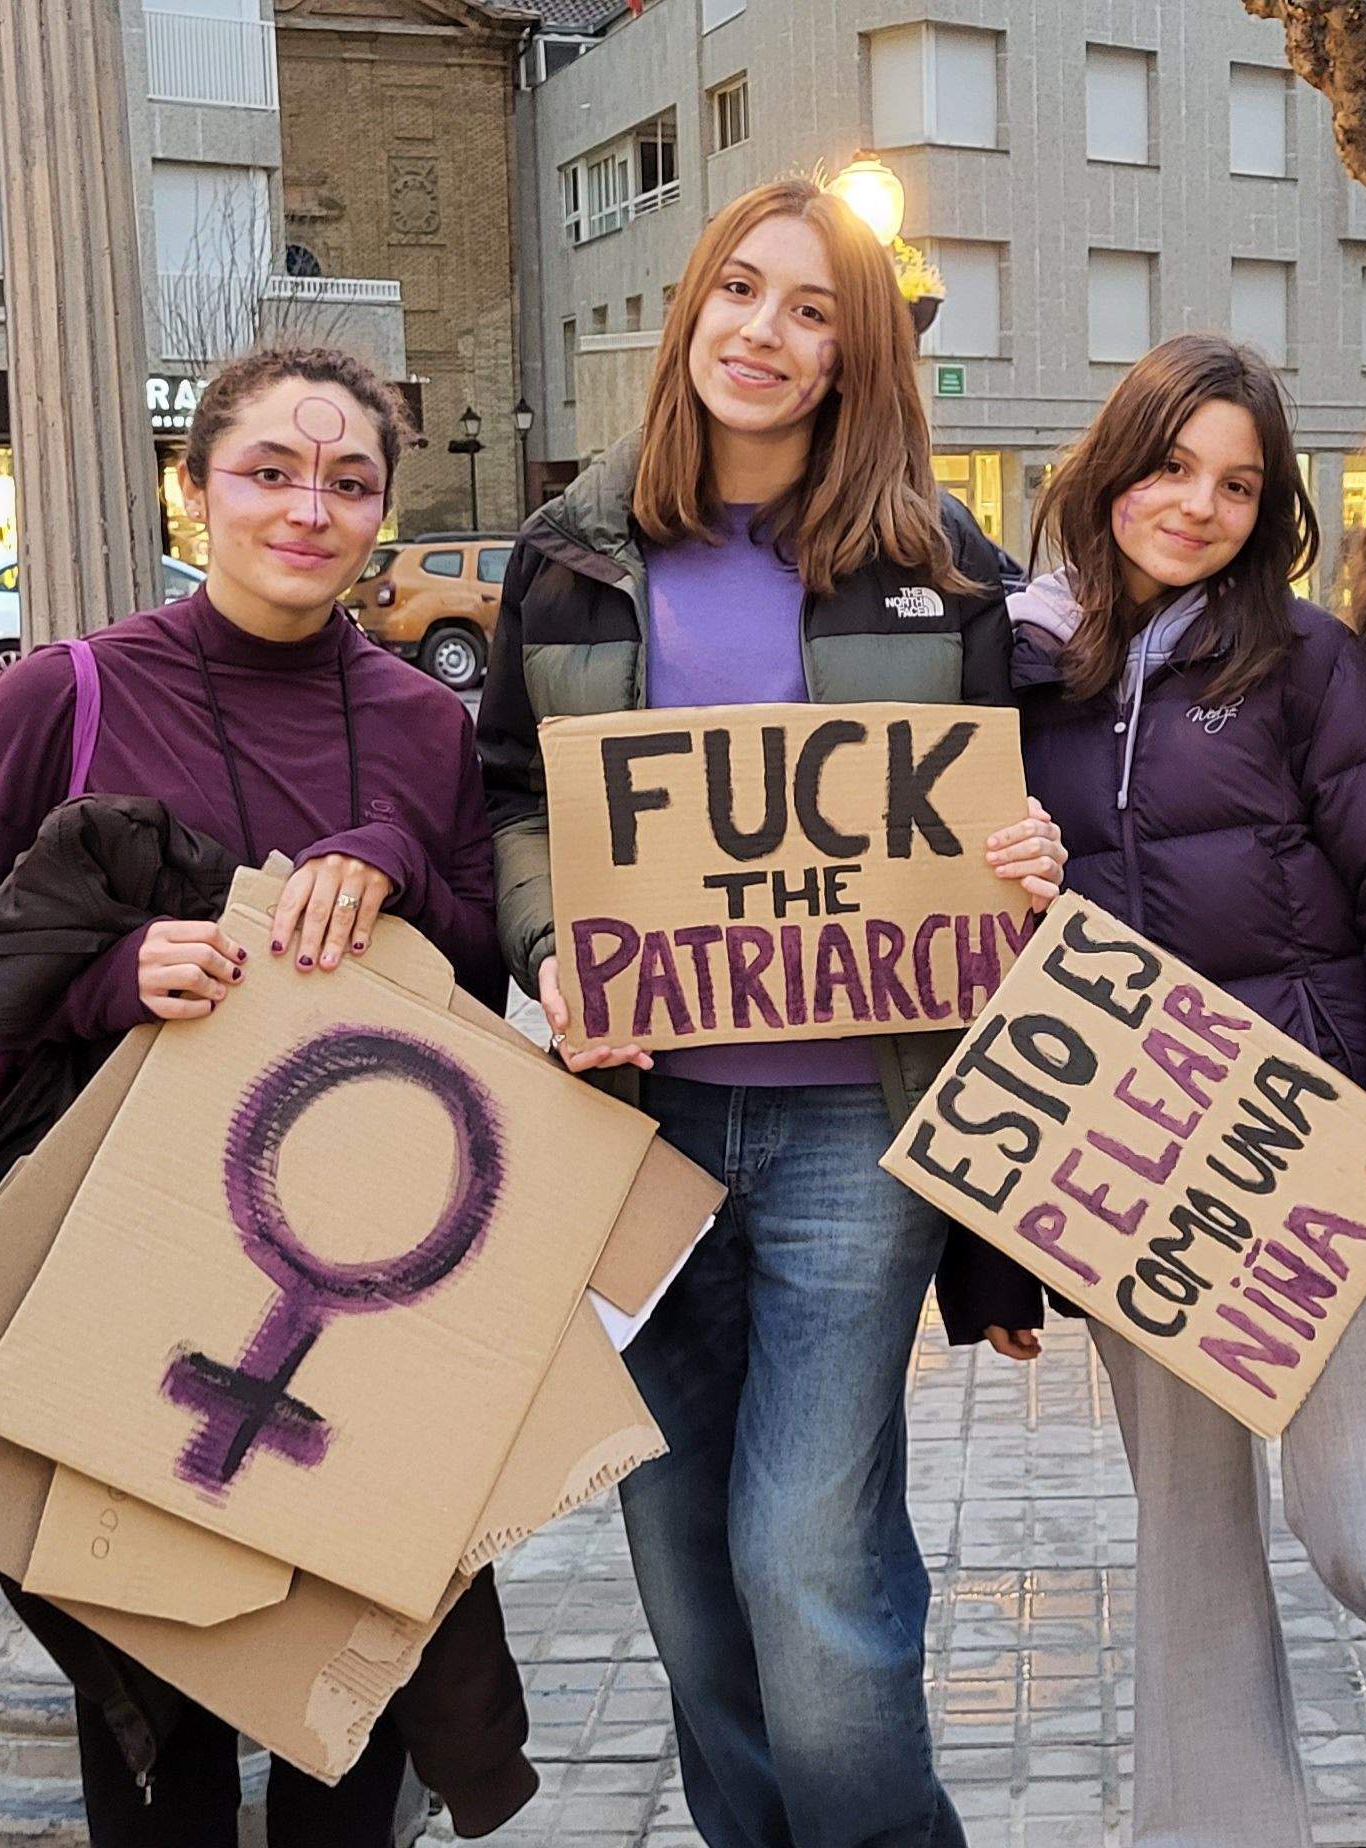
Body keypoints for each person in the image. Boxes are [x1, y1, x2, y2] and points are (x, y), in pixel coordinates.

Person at [0, 344, 540, 1847]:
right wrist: (118, 971)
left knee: (345, 1712)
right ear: (195, 492)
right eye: (269, 472)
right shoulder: (73, 692)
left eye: (349, 482)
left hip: (349, 1285)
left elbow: (483, 985)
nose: (309, 509)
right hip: (119, 1265)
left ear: (381, 509)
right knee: (151, 1714)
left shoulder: (424, 723)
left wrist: (392, 866)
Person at [478, 177, 1064, 1848]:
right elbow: (514, 799)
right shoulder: (572, 556)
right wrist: (553, 951)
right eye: (742, 290)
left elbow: (1020, 795)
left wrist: (1032, 853)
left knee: (806, 1545)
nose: (765, 331)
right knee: (680, 1556)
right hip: (638, 1116)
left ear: (854, 356)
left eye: (814, 309)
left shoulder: (943, 569)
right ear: (691, 309)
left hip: (853, 1123)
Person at [937, 333, 1366, 1847]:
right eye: (1170, 465)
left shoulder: (1311, 667)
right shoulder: (1003, 681)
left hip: (1332, 1165)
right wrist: (988, 1242)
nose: (1196, 504)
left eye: (1236, 483)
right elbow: (949, 976)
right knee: (1192, 1556)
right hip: (1127, 1173)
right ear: (1107, 464)